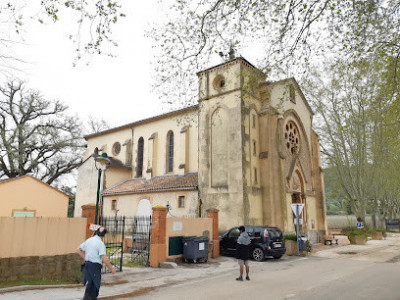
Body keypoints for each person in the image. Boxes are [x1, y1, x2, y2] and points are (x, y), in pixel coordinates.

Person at [77, 226, 116, 300]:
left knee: (89, 286)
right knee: (94, 287)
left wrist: (86, 258)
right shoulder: (100, 244)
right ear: (104, 235)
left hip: (87, 266)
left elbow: (78, 249)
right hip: (95, 267)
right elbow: (104, 258)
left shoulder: (89, 240)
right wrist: (111, 268)